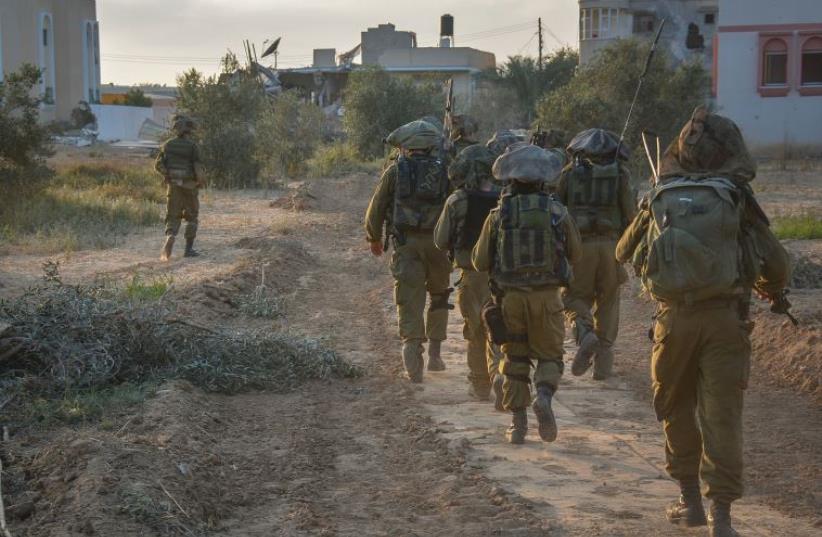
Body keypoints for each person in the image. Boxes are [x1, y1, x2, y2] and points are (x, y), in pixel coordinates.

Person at [616, 106, 791, 537]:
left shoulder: (660, 193)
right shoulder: (735, 197)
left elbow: (623, 253)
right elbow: (778, 264)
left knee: (675, 408)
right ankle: (723, 516)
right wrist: (768, 287)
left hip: (672, 322)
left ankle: (689, 501)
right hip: (726, 322)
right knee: (722, 416)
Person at [472, 145, 582, 444]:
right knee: (550, 356)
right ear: (544, 181)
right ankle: (544, 395)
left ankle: (518, 425)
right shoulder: (558, 212)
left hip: (510, 299)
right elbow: (576, 251)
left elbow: (479, 261)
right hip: (547, 298)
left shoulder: (499, 215)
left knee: (515, 360)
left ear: (511, 181)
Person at [365, 119, 454, 383]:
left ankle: (412, 354)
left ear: (407, 146)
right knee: (439, 296)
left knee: (409, 297)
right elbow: (456, 206)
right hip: (439, 245)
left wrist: (374, 237)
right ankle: (436, 355)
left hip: (406, 244)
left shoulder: (395, 171)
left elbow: (377, 206)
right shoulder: (446, 170)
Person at [557, 128, 636, 380]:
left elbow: (557, 209)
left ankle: (584, 332)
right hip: (612, 246)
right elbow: (631, 215)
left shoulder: (568, 174)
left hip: (579, 247)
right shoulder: (621, 174)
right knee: (609, 301)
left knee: (572, 298)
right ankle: (603, 366)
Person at [434, 144, 503, 406]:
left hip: (470, 277)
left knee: (475, 331)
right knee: (499, 328)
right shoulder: (504, 199)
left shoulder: (457, 200)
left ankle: (481, 385)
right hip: (500, 277)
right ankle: (499, 374)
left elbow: (440, 241)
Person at [155, 115, 205, 261]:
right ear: (188, 131)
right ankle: (188, 250)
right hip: (189, 185)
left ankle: (170, 236)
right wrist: (200, 181)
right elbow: (198, 166)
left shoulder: (167, 145)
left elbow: (158, 165)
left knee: (172, 215)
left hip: (174, 186)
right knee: (192, 217)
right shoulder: (193, 146)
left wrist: (168, 174)